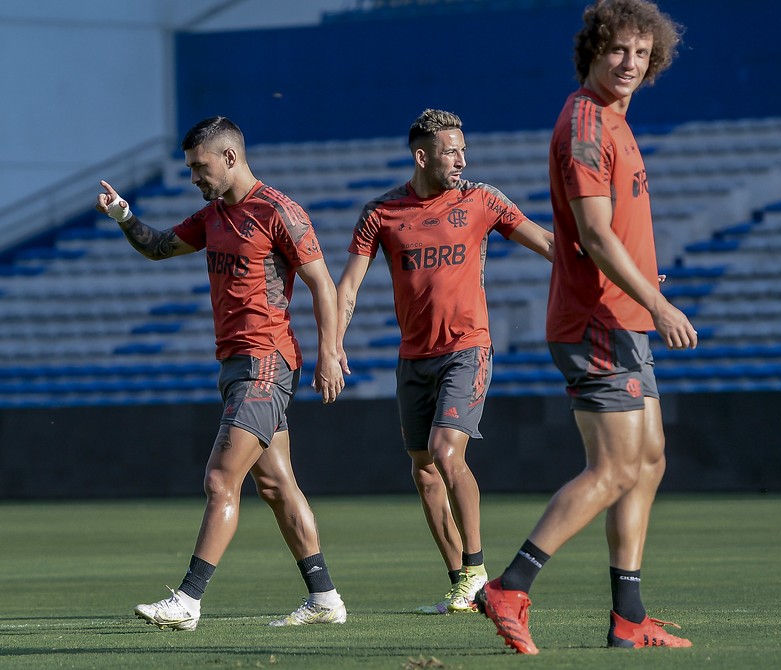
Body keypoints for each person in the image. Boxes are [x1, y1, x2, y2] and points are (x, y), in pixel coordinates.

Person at [476, 0, 697, 654]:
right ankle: (510, 586)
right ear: (593, 54)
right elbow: (596, 235)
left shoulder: (614, 120)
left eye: (640, 52)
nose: (629, 63)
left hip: (622, 317)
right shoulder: (584, 124)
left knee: (647, 461)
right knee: (612, 468)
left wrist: (647, 297)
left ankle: (629, 617)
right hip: (596, 318)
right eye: (617, 51)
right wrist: (658, 306)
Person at [95, 116, 350, 631]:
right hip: (236, 365)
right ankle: (324, 597)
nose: (194, 176)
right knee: (277, 485)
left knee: (219, 478)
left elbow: (323, 284)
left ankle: (188, 600)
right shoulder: (212, 216)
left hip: (266, 361)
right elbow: (158, 246)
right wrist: (124, 215)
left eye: (199, 166)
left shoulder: (279, 211)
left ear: (229, 157)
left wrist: (330, 353)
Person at [335, 109, 553, 615]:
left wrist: (617, 276)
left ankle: (478, 568)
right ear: (422, 155)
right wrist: (332, 345)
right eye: (452, 151)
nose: (461, 159)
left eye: (464, 151)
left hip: (467, 348)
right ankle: (463, 583)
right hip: (413, 357)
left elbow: (546, 243)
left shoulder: (481, 200)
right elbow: (348, 287)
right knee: (424, 470)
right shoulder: (380, 213)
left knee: (446, 451)